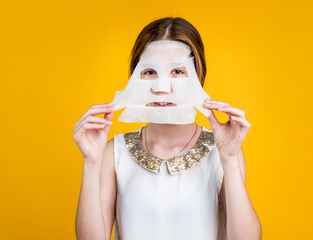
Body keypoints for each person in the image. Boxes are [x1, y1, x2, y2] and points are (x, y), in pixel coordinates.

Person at [74, 17, 262, 240]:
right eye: (150, 72)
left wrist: (229, 159)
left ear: (198, 76)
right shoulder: (113, 153)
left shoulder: (223, 152)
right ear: (135, 77)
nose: (162, 88)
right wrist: (91, 163)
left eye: (178, 71)